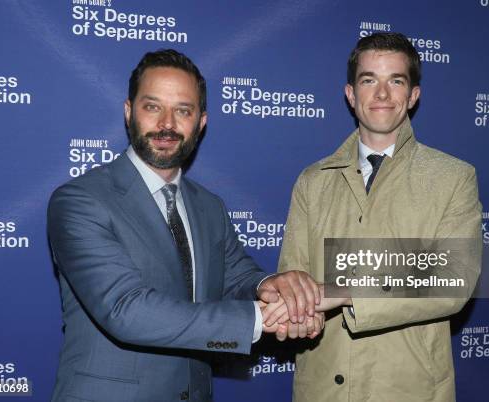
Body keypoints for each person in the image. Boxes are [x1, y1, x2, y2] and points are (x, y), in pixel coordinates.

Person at [47, 49, 320, 402]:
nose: (167, 124)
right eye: (152, 106)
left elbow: (236, 276)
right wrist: (258, 320)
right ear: (129, 111)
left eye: (183, 110)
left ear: (201, 122)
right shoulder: (80, 200)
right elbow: (126, 310)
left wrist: (273, 288)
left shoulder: (209, 206)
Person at [275, 33, 482, 402]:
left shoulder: (452, 177)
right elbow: (296, 280)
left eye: (396, 81)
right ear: (351, 95)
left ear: (413, 95)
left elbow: (453, 279)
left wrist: (339, 292)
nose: (382, 94)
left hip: (410, 389)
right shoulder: (312, 181)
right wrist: (296, 312)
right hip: (322, 390)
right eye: (369, 80)